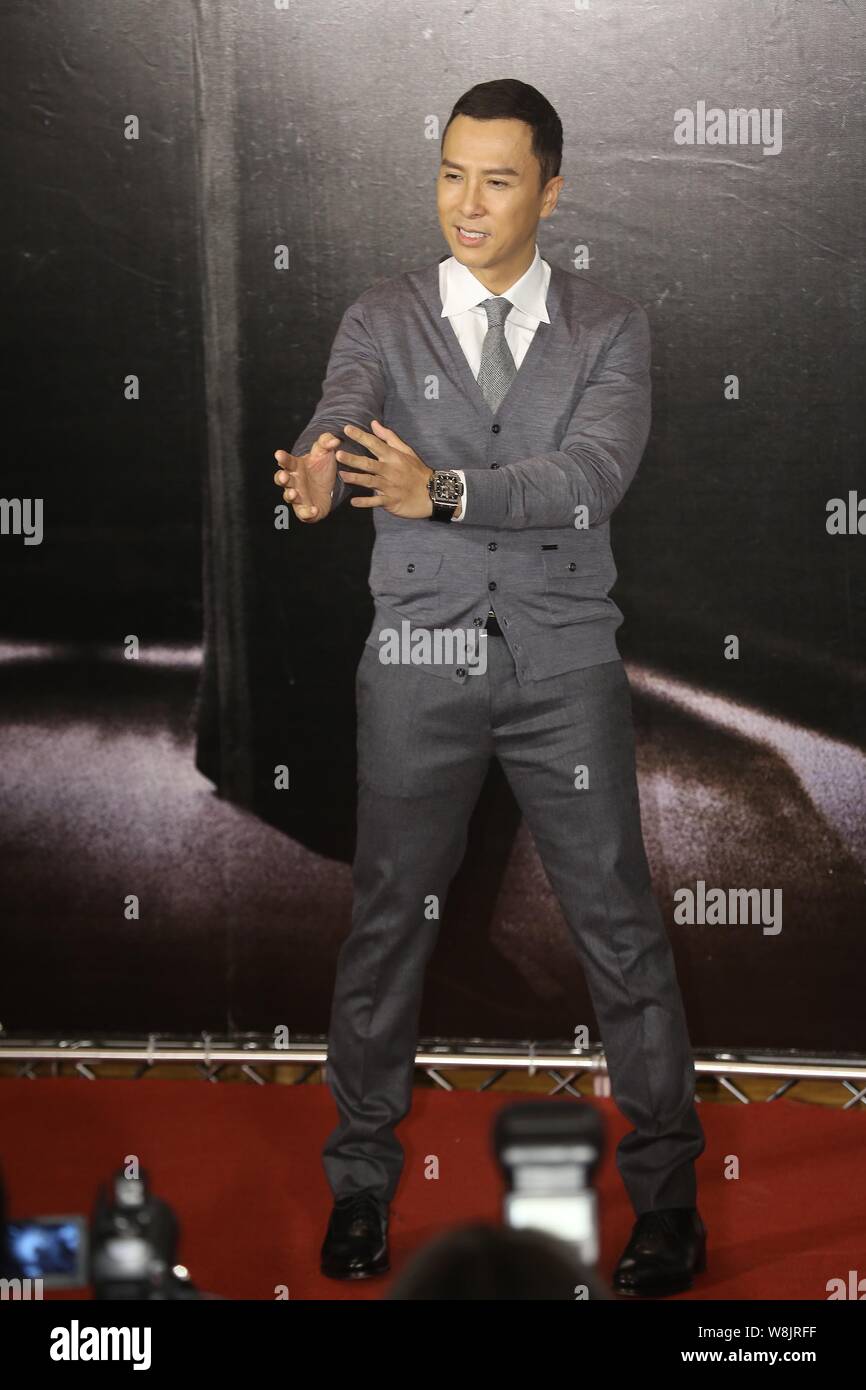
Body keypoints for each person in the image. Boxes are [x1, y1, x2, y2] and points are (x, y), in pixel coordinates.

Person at [274, 77, 706, 1298]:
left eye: (498, 178)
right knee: (382, 920)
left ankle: (668, 1204)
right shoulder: (380, 312)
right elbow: (336, 417)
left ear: (550, 190)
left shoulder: (610, 328)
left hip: (563, 665)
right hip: (418, 661)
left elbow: (588, 477)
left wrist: (446, 492)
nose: (467, 203)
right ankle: (358, 1187)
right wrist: (312, 474)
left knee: (617, 927)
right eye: (452, 173)